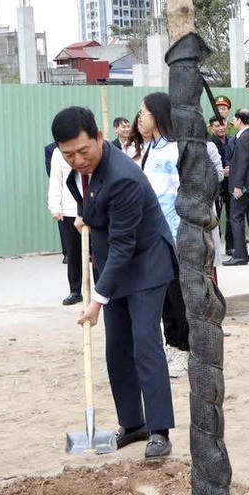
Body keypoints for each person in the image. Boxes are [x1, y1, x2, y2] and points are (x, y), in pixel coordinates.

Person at [56, 105, 177, 459]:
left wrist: (96, 300)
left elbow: (126, 245)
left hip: (146, 264)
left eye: (83, 150)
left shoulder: (123, 175)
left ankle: (159, 429)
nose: (77, 160)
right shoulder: (80, 169)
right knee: (117, 348)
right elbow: (94, 203)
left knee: (145, 343)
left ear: (99, 137)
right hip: (115, 261)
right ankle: (133, 423)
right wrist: (87, 217)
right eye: (68, 154)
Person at [134, 92, 190, 378]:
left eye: (143, 112)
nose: (139, 117)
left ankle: (183, 347)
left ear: (157, 115)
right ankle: (172, 344)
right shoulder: (150, 150)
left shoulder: (173, 150)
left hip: (173, 234)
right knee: (165, 295)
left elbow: (181, 194)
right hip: (154, 234)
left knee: (176, 294)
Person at [224, 108, 249, 265]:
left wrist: (238, 186)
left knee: (236, 217)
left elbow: (242, 162)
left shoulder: (243, 137)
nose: (234, 122)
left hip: (243, 187)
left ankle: (240, 255)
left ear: (239, 120)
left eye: (235, 119)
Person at [47, 141, 83, 306]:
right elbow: (56, 180)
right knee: (73, 253)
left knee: (98, 254)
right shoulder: (58, 153)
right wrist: (55, 207)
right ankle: (75, 291)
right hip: (69, 210)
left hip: (92, 208)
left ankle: (102, 291)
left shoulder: (89, 148)